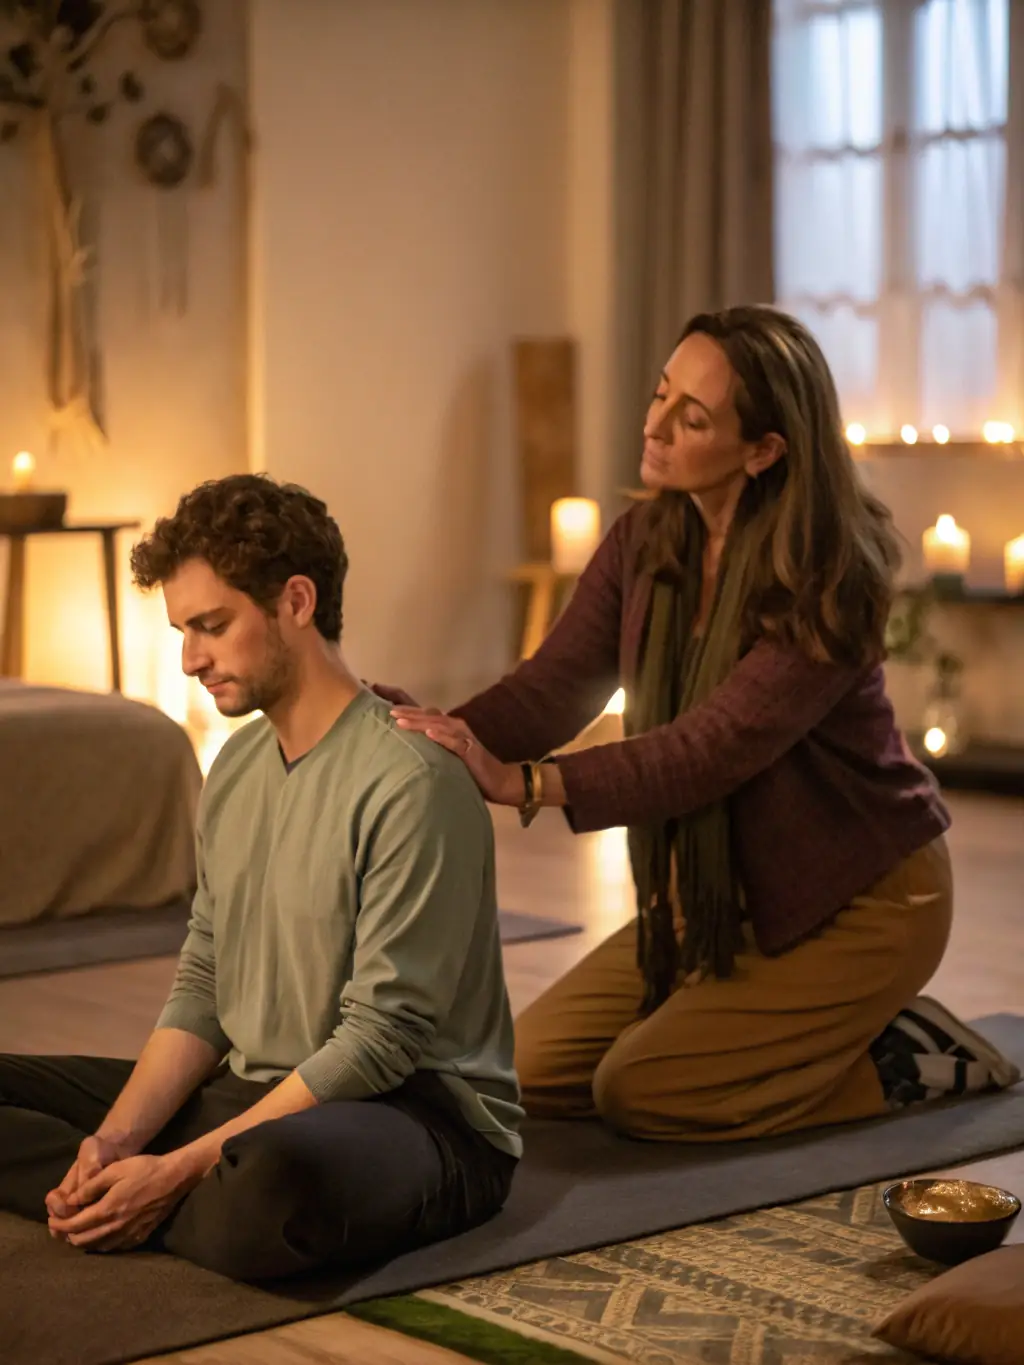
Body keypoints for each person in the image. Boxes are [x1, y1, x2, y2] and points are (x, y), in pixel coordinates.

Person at [383, 305, 1020, 1142]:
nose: (654, 426)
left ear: (764, 451)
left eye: (693, 417)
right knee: (524, 1068)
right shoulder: (646, 539)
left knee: (646, 1092)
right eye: (659, 394)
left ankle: (907, 1056)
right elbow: (550, 690)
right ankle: (792, 1042)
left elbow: (709, 750)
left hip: (864, 899)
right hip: (719, 900)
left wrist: (529, 782)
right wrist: (424, 733)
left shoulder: (828, 574)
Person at [0, 474, 520, 1280]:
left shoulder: (414, 780)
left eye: (211, 625)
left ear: (297, 602)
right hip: (254, 1100)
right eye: (182, 630)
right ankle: (116, 1193)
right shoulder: (235, 766)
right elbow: (205, 977)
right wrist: (115, 1139)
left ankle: (160, 1200)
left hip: (413, 1118)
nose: (188, 659)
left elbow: (382, 1041)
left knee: (270, 1188)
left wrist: (177, 1168)